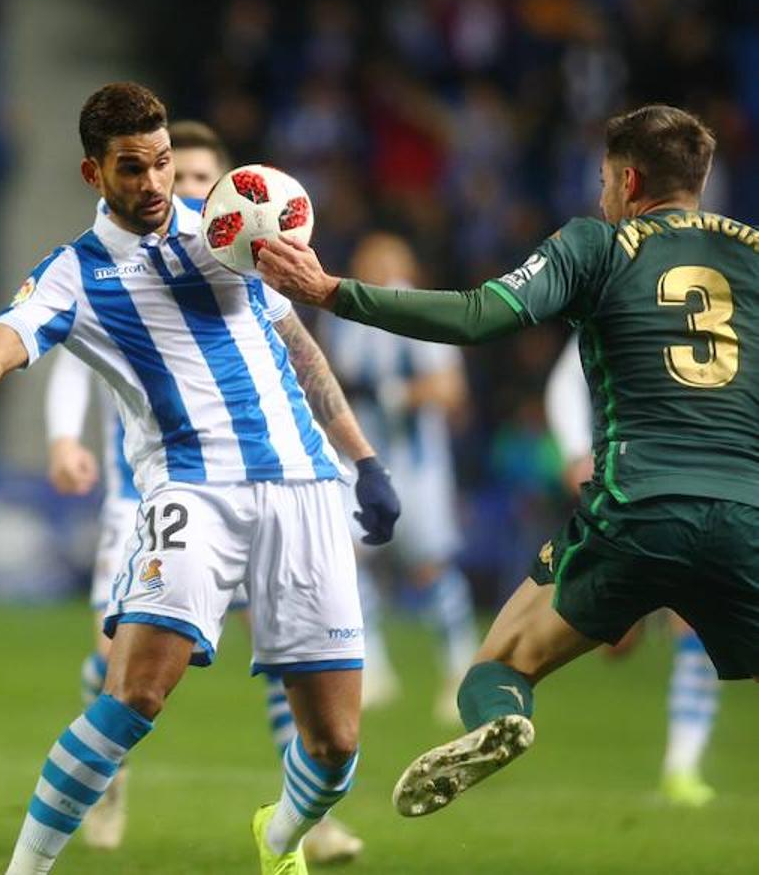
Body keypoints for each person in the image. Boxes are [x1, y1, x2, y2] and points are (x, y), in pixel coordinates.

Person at [0, 83, 399, 874]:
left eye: (162, 162)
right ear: (94, 173)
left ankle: (279, 837)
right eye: (131, 168)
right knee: (135, 695)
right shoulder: (72, 275)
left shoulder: (232, 230)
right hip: (193, 493)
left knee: (336, 744)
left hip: (306, 487)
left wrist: (364, 461)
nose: (153, 183)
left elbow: (302, 352)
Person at [252, 103, 758, 818]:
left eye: (604, 180)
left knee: (497, 668)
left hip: (638, 509)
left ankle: (502, 721)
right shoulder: (753, 254)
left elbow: (478, 315)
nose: (601, 196)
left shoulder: (598, 244)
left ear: (629, 180)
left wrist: (333, 292)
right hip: (746, 513)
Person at [43, 119, 362, 863]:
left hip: (259, 487)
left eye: (196, 181)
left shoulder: (233, 267)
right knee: (120, 662)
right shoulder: (107, 271)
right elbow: (67, 358)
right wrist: (62, 439)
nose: (180, 190)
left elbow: (295, 358)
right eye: (173, 175)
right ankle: (105, 774)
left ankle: (308, 816)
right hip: (146, 496)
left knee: (291, 655)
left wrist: (356, 460)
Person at [545, 338, 721, 806]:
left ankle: (681, 766)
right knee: (616, 642)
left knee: (697, 619)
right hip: (628, 476)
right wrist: (575, 453)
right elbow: (566, 379)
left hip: (709, 474)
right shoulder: (629, 300)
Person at [323, 233, 477, 722]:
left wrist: (396, 396)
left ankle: (461, 669)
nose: (379, 270)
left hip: (418, 468)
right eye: (369, 261)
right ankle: (372, 670)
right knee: (343, 561)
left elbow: (450, 389)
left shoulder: (419, 313)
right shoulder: (344, 321)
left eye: (388, 262)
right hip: (360, 465)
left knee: (429, 569)